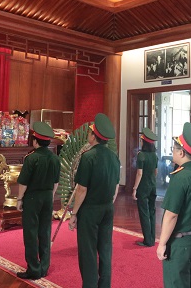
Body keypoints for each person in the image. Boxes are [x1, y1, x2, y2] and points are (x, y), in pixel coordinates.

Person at [156, 122, 191, 288]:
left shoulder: (180, 177)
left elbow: (171, 215)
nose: (172, 152)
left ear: (181, 152)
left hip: (181, 243)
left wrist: (162, 243)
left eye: (173, 149)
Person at [68, 113, 120, 288]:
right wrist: (108, 203)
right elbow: (116, 186)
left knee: (88, 250)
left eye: (90, 132)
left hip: (90, 210)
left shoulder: (88, 157)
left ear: (93, 136)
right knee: (105, 249)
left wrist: (74, 213)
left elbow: (82, 189)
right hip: (108, 208)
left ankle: (90, 285)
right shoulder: (114, 157)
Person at [16, 122, 60, 280]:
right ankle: (44, 267)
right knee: (45, 231)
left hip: (33, 197)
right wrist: (51, 195)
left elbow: (23, 182)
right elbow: (56, 182)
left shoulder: (31, 158)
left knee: (30, 232)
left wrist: (19, 199)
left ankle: (34, 269)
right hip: (48, 196)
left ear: (35, 141)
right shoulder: (55, 158)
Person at [132, 127, 159, 247]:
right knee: (152, 211)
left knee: (144, 213)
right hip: (153, 186)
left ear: (144, 142)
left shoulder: (141, 155)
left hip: (143, 187)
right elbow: (156, 172)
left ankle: (147, 240)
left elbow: (139, 173)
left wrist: (134, 188)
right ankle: (152, 238)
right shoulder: (155, 155)